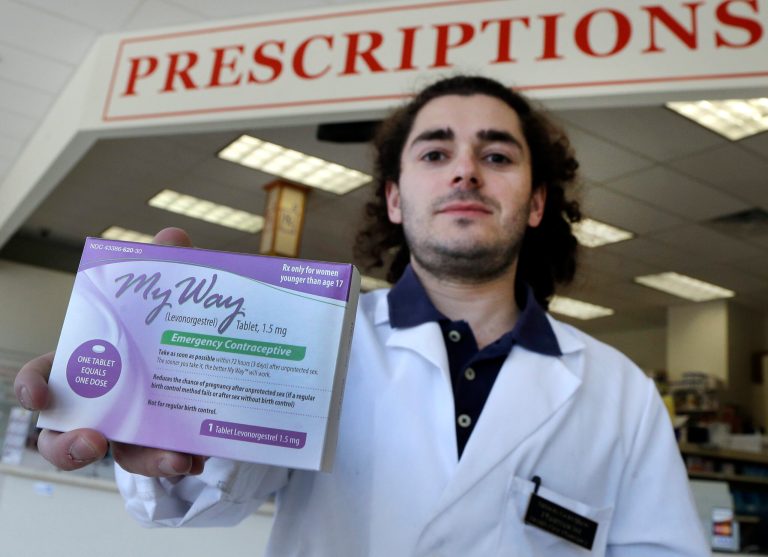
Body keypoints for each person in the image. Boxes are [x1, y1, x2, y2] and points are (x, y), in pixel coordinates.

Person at [15, 75, 708, 556]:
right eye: (436, 152)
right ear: (397, 199)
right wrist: (155, 407)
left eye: (496, 155)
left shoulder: (619, 391)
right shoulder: (315, 339)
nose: (465, 170)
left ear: (534, 203)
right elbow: (221, 489)